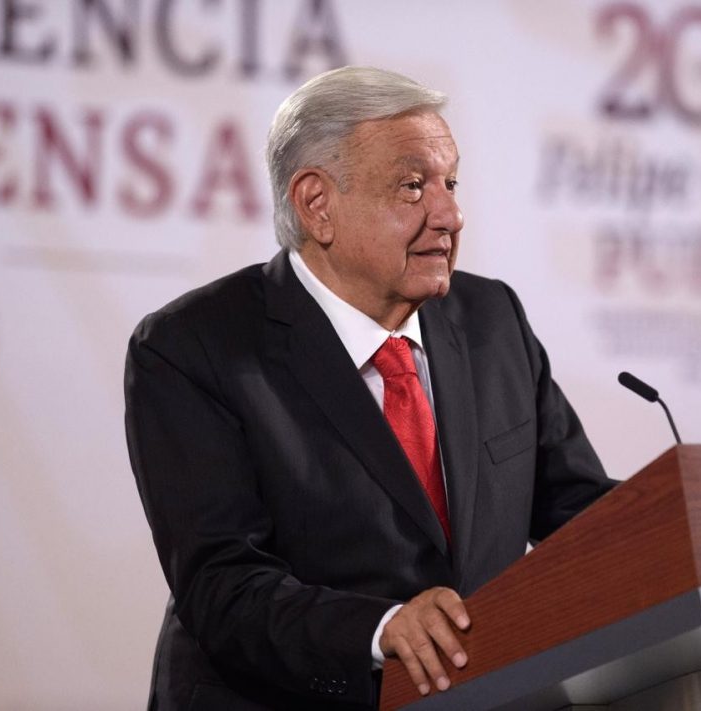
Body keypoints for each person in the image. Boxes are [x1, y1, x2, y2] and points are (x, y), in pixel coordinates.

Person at [124, 66, 614, 711]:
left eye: (450, 183)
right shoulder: (194, 347)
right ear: (316, 204)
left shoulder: (492, 319)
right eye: (412, 187)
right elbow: (223, 583)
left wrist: (696, 522)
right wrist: (380, 631)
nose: (450, 215)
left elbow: (580, 512)